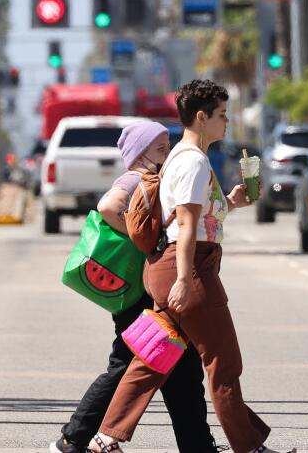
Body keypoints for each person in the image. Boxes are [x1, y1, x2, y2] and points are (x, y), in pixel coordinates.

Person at [89, 80, 296, 453]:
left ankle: (105, 438)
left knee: (154, 357)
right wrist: (185, 279)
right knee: (223, 364)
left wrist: (230, 203)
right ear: (201, 117)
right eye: (220, 115)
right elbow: (185, 225)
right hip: (189, 267)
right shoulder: (193, 161)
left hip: (175, 265)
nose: (227, 122)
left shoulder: (183, 159)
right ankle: (249, 447)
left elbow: (195, 219)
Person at [52, 120, 222, 453]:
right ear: (141, 153)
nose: (168, 152)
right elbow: (107, 206)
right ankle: (73, 438)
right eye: (160, 148)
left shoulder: (154, 178)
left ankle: (197, 445)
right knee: (130, 365)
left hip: (146, 290)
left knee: (180, 369)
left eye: (166, 145)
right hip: (139, 293)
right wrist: (147, 240)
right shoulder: (135, 178)